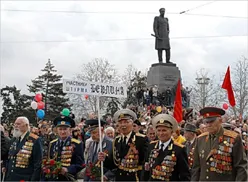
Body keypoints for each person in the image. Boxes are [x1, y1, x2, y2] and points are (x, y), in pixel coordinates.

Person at [191, 107, 248, 181]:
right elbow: (196, 168)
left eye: (211, 121)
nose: (208, 125)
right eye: (206, 122)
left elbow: (241, 167)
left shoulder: (233, 138)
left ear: (220, 120)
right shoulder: (200, 139)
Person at [98, 109, 148, 181]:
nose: (123, 125)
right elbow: (113, 164)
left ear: (132, 124)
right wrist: (104, 158)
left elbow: (145, 162)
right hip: (120, 178)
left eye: (126, 122)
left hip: (135, 177)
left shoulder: (141, 139)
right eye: (120, 123)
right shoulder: (117, 140)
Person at [144, 114, 190, 181]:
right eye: (159, 130)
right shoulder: (151, 146)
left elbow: (184, 175)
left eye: (164, 130)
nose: (161, 133)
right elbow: (146, 170)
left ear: (171, 131)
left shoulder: (179, 149)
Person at [2, 117, 42, 181]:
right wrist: (4, 166)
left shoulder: (35, 140)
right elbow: (8, 156)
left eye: (18, 124)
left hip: (24, 178)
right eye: (15, 124)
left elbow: (37, 163)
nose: (15, 126)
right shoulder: (14, 139)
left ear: (26, 125)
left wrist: (34, 180)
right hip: (10, 178)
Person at [46, 116, 84, 181]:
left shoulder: (77, 144)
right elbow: (49, 160)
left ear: (70, 130)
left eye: (65, 129)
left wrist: (68, 169)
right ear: (56, 130)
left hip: (68, 178)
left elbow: (80, 164)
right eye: (60, 129)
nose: (62, 132)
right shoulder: (52, 143)